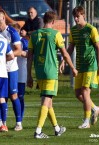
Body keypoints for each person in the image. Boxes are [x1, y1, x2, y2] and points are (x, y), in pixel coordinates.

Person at [27, 11, 78, 139]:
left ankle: (57, 129)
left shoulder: (34, 35)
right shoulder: (56, 34)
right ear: (53, 22)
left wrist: (29, 75)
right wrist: (72, 68)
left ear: (44, 20)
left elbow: (29, 57)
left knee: (48, 101)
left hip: (39, 71)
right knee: (46, 100)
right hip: (50, 71)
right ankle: (38, 131)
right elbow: (65, 54)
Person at [60, 6, 99, 128]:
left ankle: (86, 121)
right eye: (74, 17)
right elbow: (71, 47)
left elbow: (98, 48)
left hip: (90, 65)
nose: (76, 19)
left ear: (83, 16)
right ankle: (95, 108)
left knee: (85, 92)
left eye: (78, 16)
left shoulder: (91, 29)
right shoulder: (73, 31)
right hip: (79, 65)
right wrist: (63, 60)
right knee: (78, 93)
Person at [0, 9, 23, 131]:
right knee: (1, 96)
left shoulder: (11, 32)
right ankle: (1, 123)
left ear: (3, 18)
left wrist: (4, 58)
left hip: (11, 68)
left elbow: (19, 50)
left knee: (13, 95)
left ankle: (18, 122)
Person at [9, 22, 28, 121]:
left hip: (21, 73)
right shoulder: (8, 41)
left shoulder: (23, 42)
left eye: (16, 32)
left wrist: (20, 52)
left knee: (20, 96)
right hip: (10, 71)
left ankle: (20, 117)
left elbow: (28, 54)